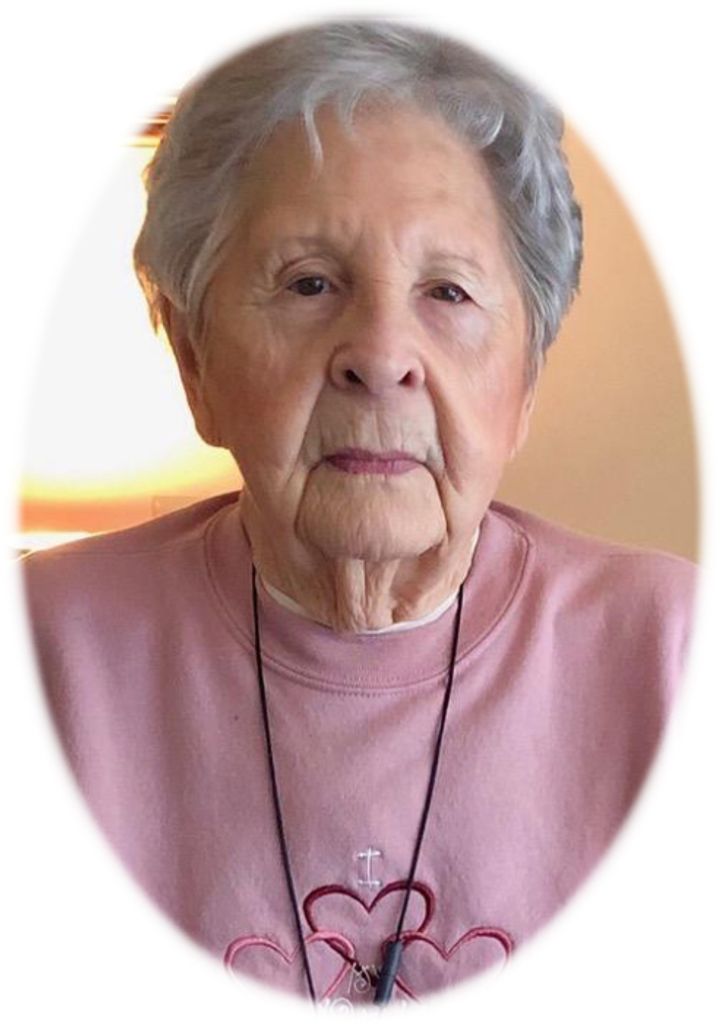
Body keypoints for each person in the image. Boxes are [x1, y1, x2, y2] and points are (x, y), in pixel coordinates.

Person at [23, 19, 695, 1008]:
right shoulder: (41, 650)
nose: (380, 355)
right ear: (196, 364)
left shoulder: (674, 653)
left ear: (525, 382)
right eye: (309, 283)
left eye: (448, 291)